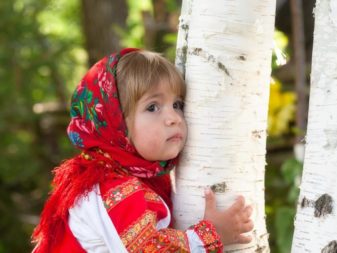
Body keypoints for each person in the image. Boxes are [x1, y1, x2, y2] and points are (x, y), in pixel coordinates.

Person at [32, 48, 253, 253]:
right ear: (115, 124)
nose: (174, 118)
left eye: (177, 104)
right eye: (152, 107)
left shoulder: (141, 178)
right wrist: (213, 234)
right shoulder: (108, 187)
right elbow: (147, 248)